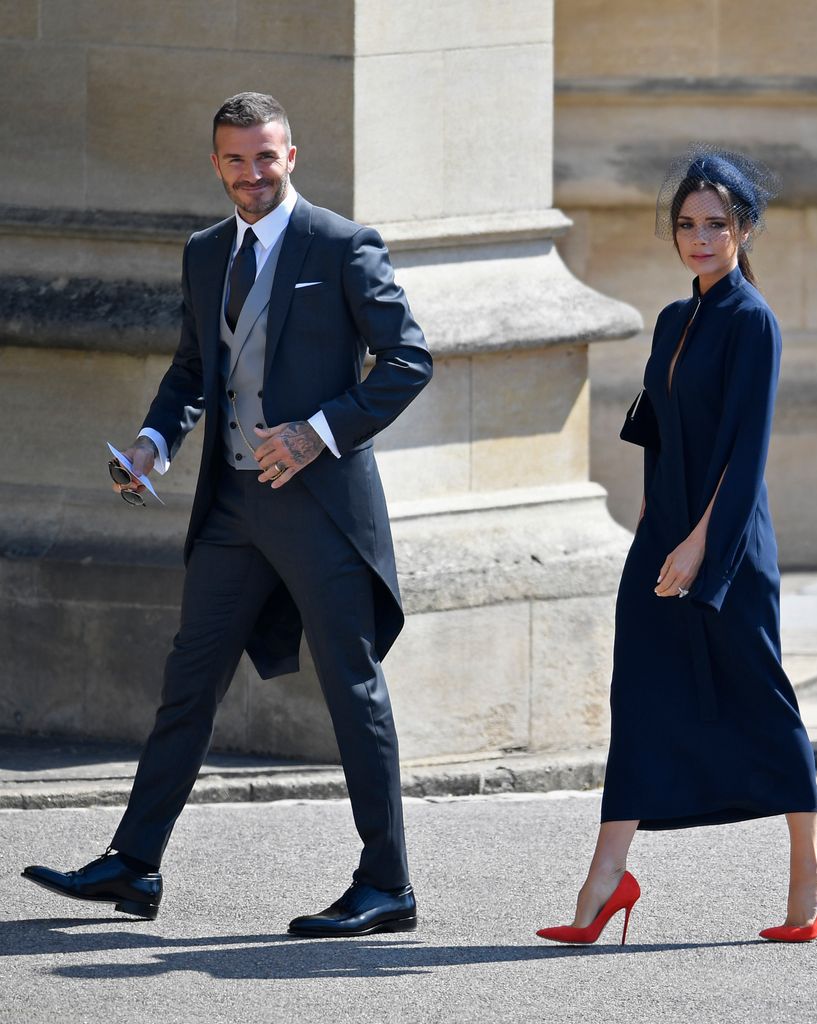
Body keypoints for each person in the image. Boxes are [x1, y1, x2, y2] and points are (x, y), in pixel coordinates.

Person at [22, 92, 432, 938]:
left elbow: (408, 359)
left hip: (318, 508)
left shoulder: (343, 245)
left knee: (353, 689)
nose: (253, 174)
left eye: (267, 157)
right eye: (236, 160)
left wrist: (319, 434)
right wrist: (148, 445)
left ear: (293, 155)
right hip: (232, 507)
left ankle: (387, 884)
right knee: (188, 681)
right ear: (216, 164)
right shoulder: (206, 252)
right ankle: (134, 867)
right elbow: (191, 374)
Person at [537, 146, 817, 946]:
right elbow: (657, 434)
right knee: (638, 691)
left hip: (729, 542)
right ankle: (606, 879)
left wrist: (701, 545)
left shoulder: (754, 323)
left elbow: (746, 454)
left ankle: (809, 865)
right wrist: (653, 526)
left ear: (743, 229)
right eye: (687, 224)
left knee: (762, 694)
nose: (700, 237)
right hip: (661, 538)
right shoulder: (675, 320)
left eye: (717, 224)